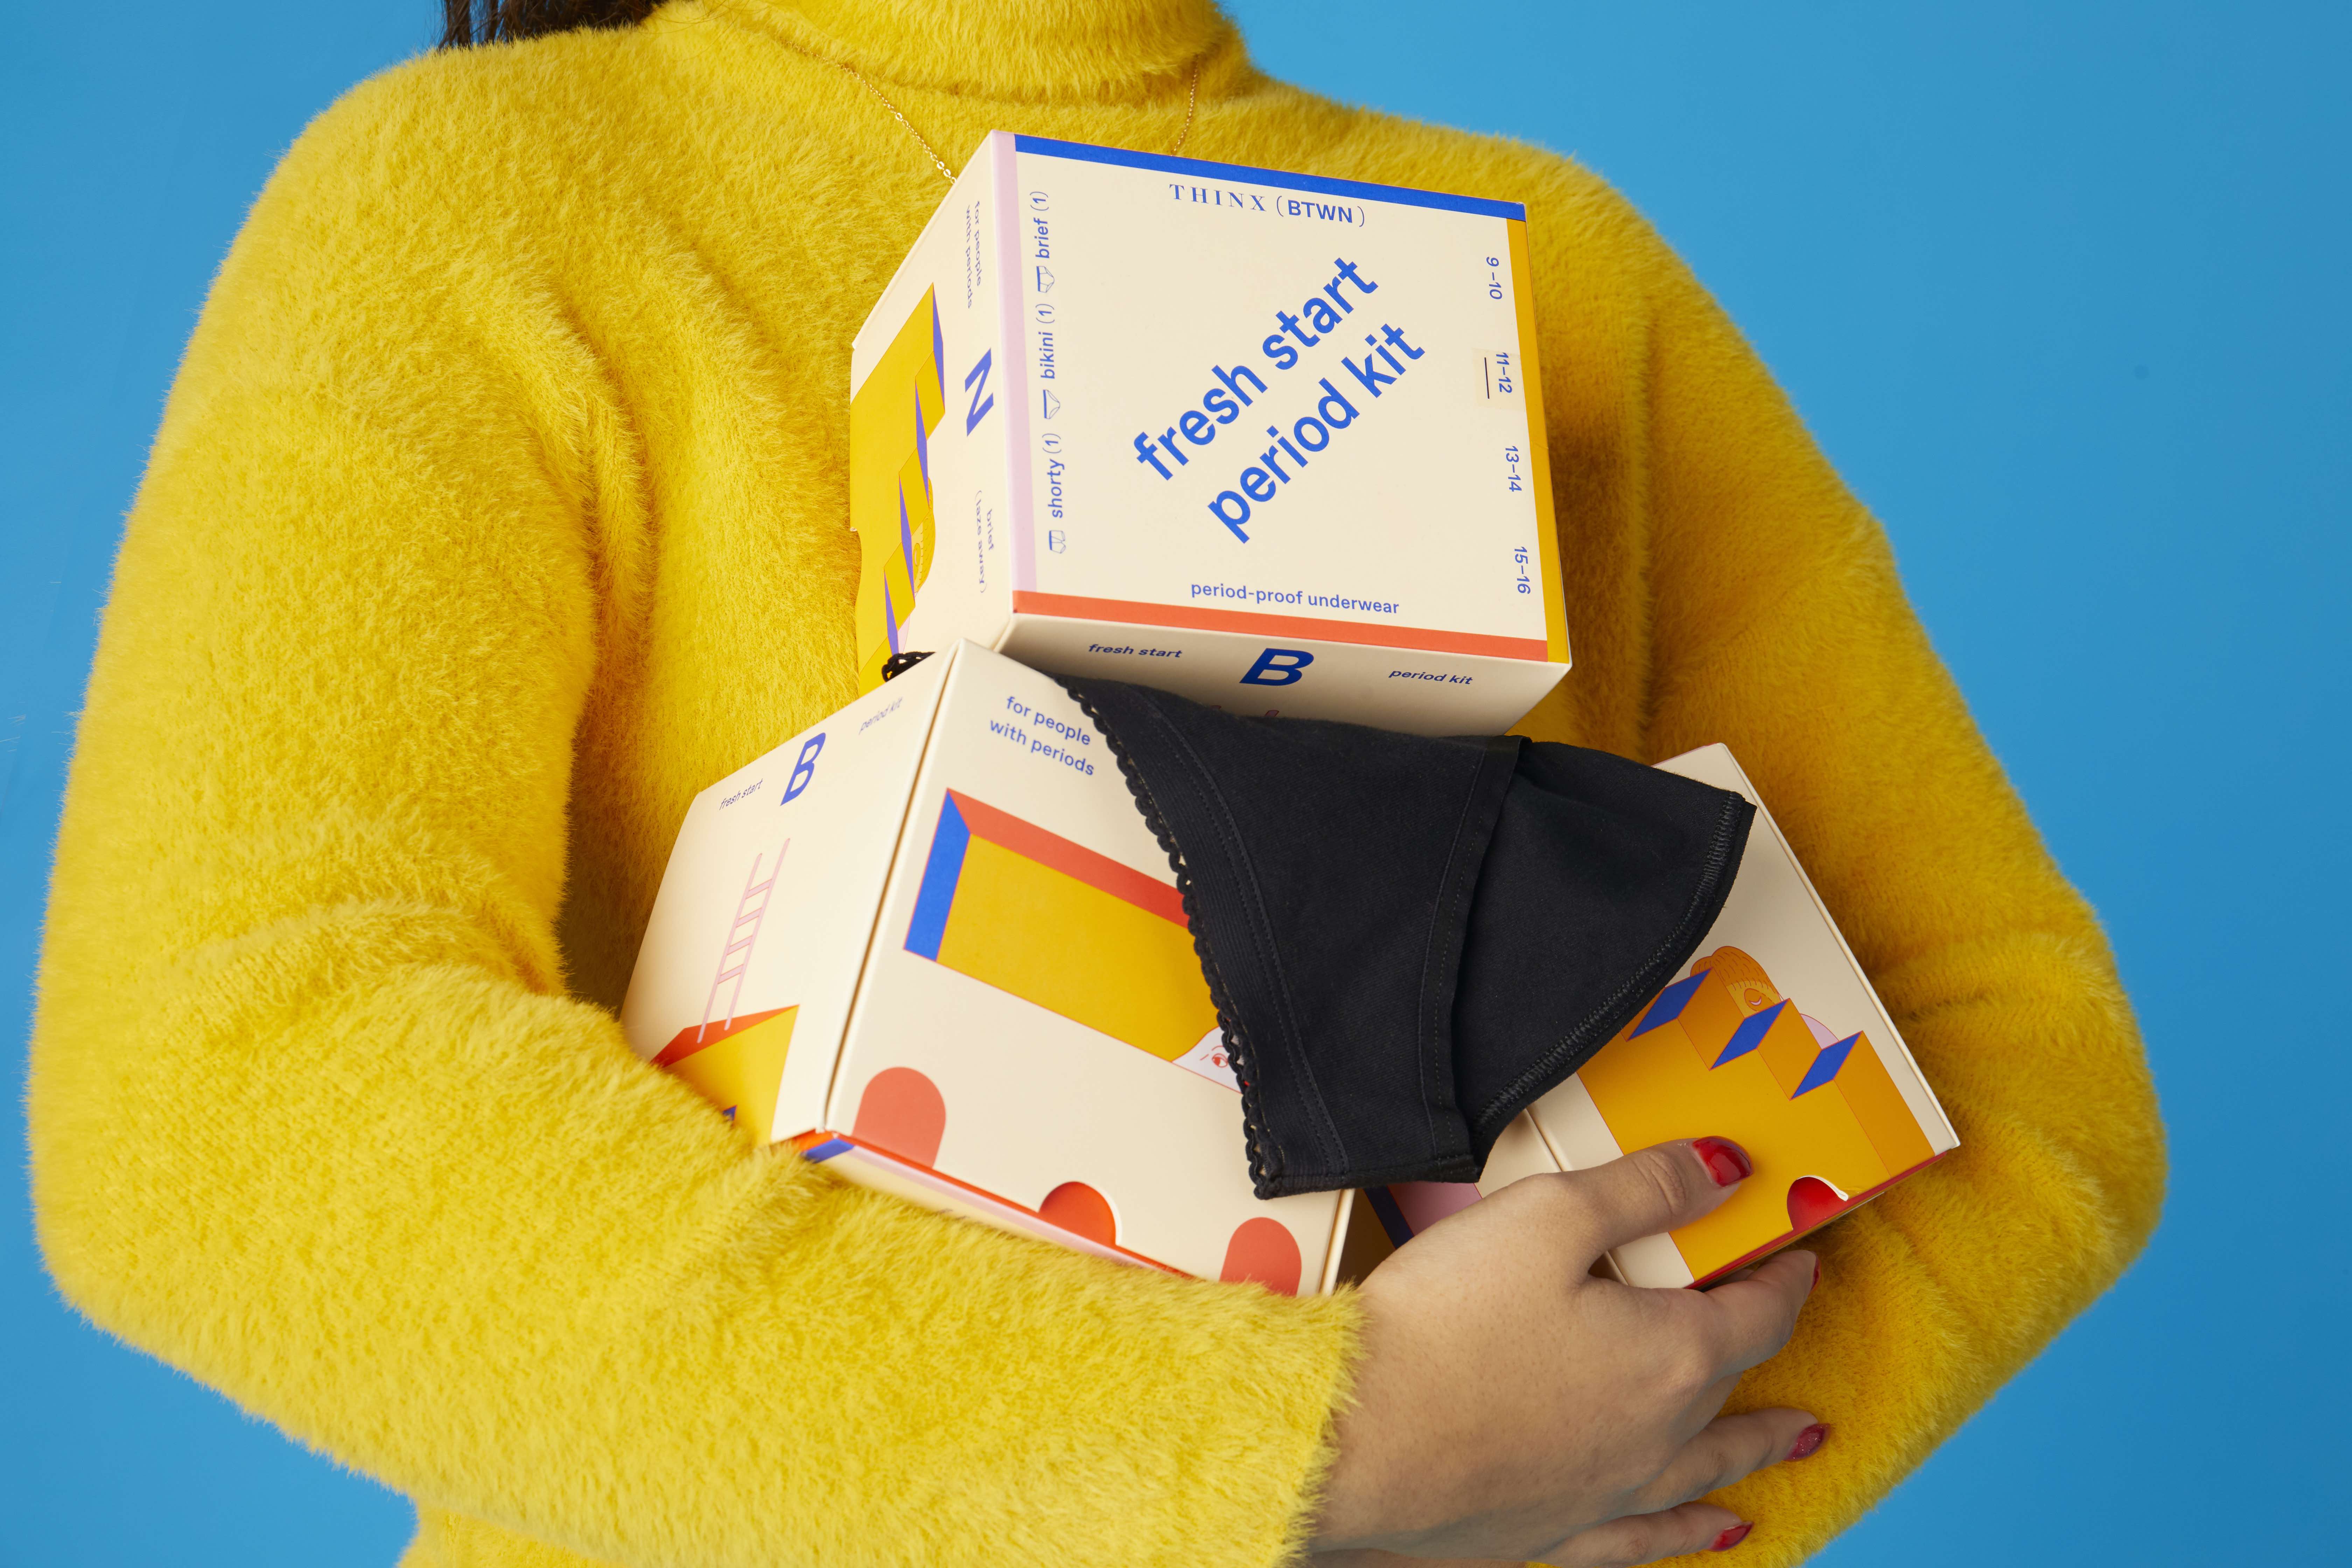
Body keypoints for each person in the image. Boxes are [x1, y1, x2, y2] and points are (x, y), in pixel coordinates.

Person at [25, 2, 2166, 1565]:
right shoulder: (483, 203)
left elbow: (2015, 1055)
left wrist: (1577, 1492)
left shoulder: (1550, 264)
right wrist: (1309, 1456)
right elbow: (219, 1081)